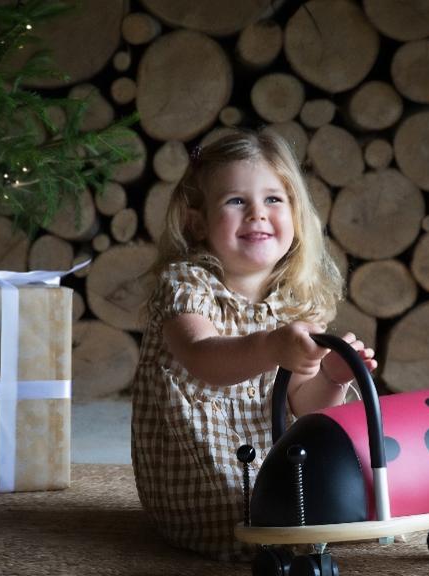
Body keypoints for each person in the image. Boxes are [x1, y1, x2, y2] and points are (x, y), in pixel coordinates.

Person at [131, 130, 377, 561]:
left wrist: (333, 379)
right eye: (236, 201)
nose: (257, 215)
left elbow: (304, 404)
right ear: (198, 222)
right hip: (201, 468)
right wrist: (271, 346)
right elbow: (202, 357)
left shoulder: (296, 304)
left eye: (273, 200)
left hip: (275, 465)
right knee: (249, 514)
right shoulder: (186, 284)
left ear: (296, 215)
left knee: (353, 487)